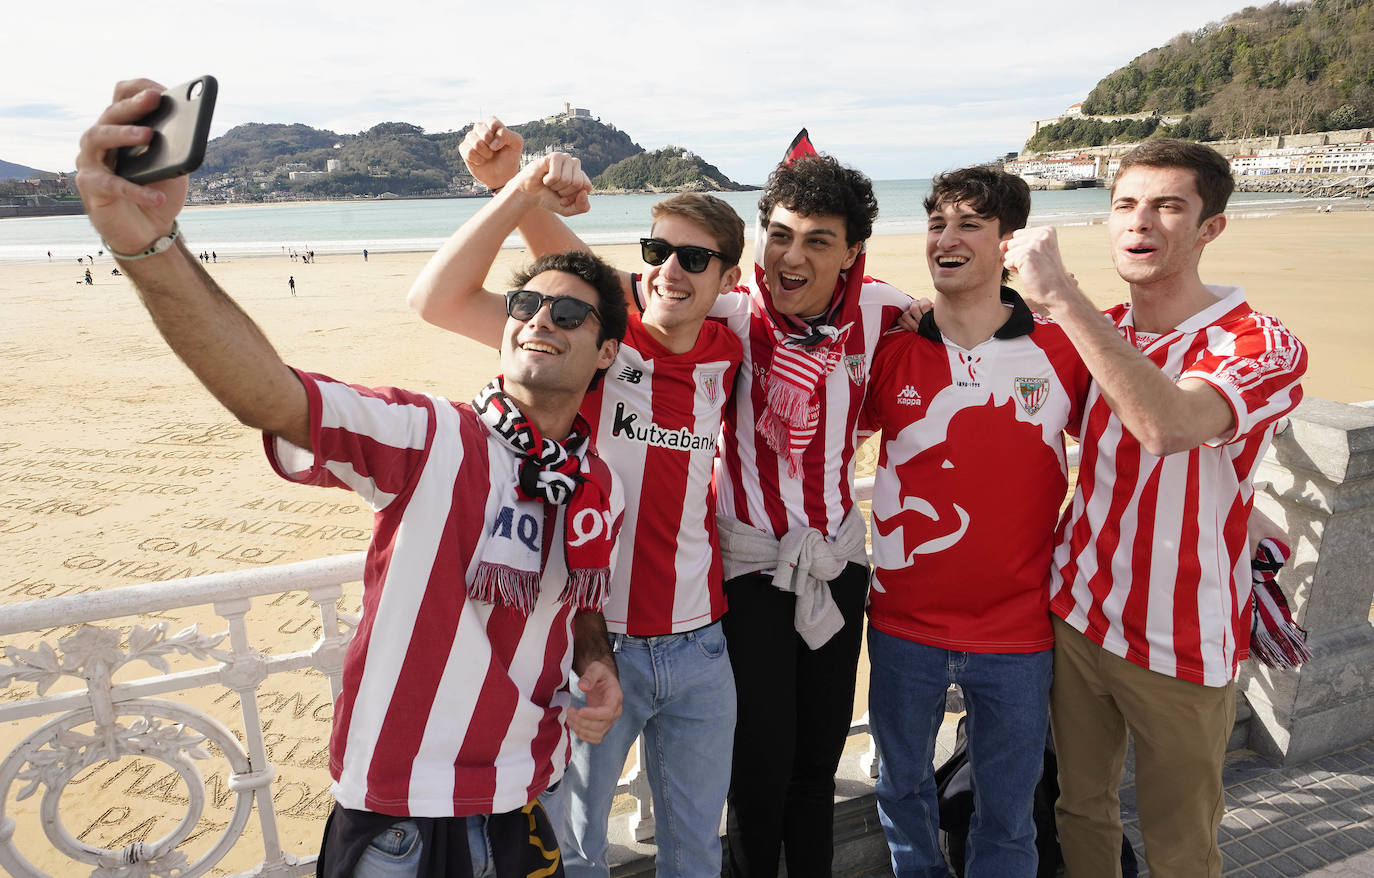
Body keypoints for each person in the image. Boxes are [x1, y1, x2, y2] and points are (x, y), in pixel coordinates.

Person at [75, 78, 633, 878]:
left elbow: (576, 604)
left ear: (607, 351)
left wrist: (596, 662)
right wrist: (150, 250)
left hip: (522, 800)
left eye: (570, 314)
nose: (539, 320)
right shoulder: (432, 437)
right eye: (524, 304)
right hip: (397, 819)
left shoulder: (595, 485)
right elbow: (269, 393)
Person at [410, 118, 746, 878]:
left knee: (696, 854)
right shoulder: (594, 346)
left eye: (693, 259)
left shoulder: (731, 347)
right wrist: (514, 182)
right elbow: (439, 301)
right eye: (656, 252)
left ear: (727, 281)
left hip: (702, 647)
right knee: (579, 855)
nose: (668, 272)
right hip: (595, 651)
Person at [1002, 138, 1307, 877]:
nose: (1142, 223)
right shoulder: (1102, 326)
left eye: (1170, 206)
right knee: (1081, 807)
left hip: (1183, 640)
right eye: (1126, 206)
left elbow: (1168, 424)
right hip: (1076, 612)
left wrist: (1061, 298)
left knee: (1181, 844)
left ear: (1211, 228)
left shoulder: (1260, 342)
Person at [859, 167, 1091, 877]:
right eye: (936, 224)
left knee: (1009, 812)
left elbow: (1132, 455)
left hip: (1017, 631)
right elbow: (813, 439)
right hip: (902, 626)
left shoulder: (1063, 350)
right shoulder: (891, 351)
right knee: (901, 794)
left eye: (968, 225)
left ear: (1007, 244)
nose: (946, 239)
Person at [709, 134, 911, 877]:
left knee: (818, 760)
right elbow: (608, 303)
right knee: (757, 767)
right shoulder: (727, 313)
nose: (791, 257)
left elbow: (979, 325)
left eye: (817, 242)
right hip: (747, 571)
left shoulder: (887, 311)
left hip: (836, 563)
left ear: (853, 252)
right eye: (779, 236)